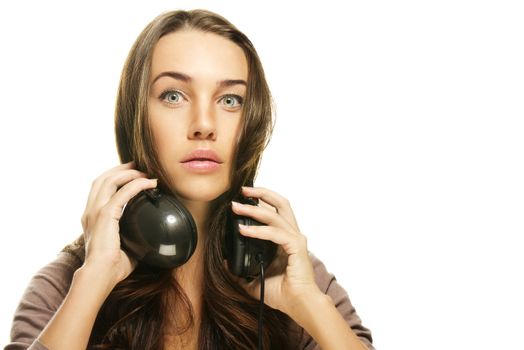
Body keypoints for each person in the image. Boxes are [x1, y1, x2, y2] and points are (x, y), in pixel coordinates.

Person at [5, 8, 374, 350]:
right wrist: (93, 281)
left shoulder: (290, 271)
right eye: (173, 95)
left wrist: (308, 301)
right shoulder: (67, 284)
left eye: (230, 100)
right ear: (137, 114)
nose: (204, 125)